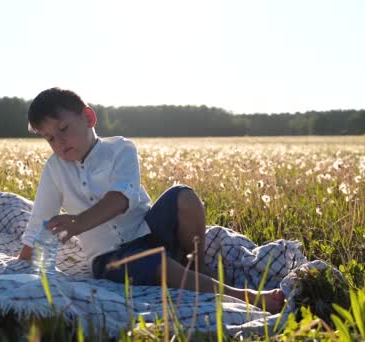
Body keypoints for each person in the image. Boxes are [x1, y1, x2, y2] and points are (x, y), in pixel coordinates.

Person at [18, 87, 285, 313]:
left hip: (149, 230)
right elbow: (40, 221)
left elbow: (121, 198)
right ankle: (243, 296)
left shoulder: (121, 149)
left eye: (63, 128)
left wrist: (78, 222)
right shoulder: (54, 169)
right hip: (110, 259)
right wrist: (24, 261)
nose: (59, 141)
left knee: (184, 196)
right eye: (50, 137)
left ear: (88, 117)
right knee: (159, 265)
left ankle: (197, 266)